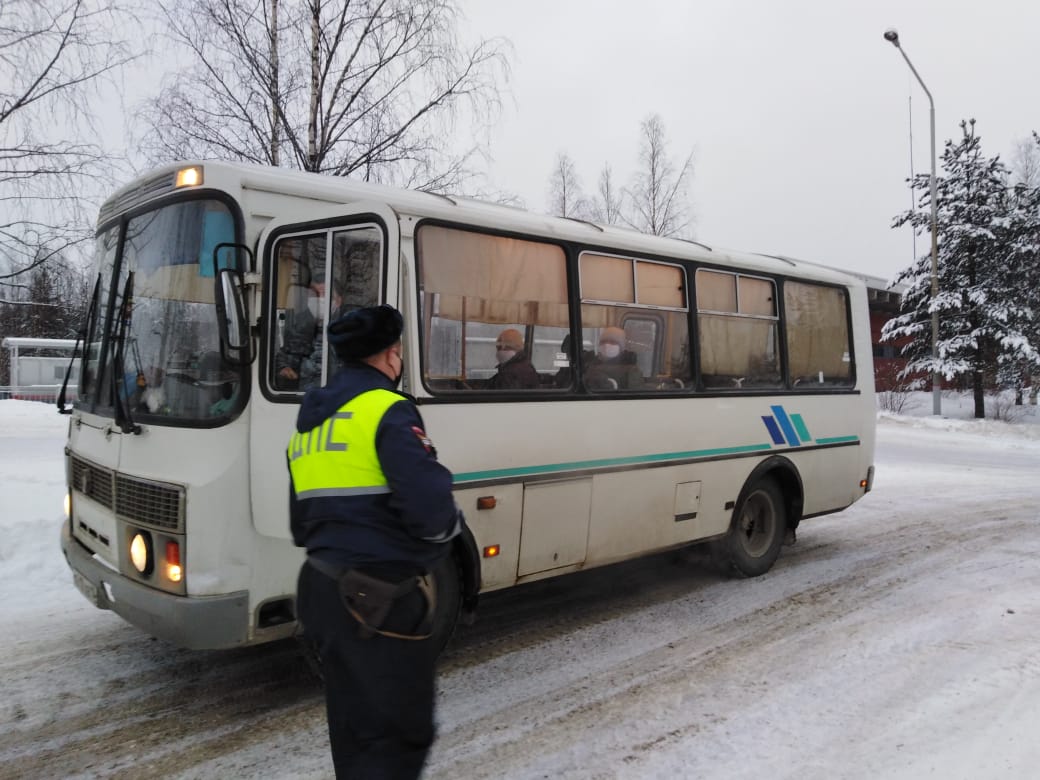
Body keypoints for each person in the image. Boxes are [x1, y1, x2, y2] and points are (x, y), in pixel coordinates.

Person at [286, 304, 463, 779]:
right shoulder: (387, 408)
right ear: (389, 357)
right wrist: (443, 537)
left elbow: (301, 524)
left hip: (321, 589)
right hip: (376, 598)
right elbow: (430, 509)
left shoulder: (310, 422)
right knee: (398, 732)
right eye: (398, 352)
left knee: (354, 726)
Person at [275, 279, 344, 391]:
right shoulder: (298, 327)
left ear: (338, 301)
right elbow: (284, 357)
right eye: (315, 295)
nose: (319, 299)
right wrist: (284, 368)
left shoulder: (350, 332)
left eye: (325, 294)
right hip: (303, 395)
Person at [583, 326, 643, 390]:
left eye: (612, 342)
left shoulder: (631, 369)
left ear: (621, 347)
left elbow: (634, 395)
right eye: (603, 342)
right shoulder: (591, 362)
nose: (607, 345)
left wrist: (613, 385)